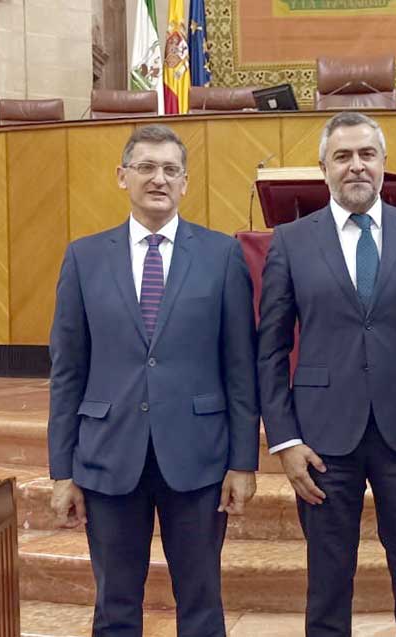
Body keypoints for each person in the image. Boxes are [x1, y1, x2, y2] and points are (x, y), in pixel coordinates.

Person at [256, 111, 396, 637]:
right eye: (343, 157)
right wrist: (284, 440)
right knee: (327, 591)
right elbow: (270, 349)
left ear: (383, 163)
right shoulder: (290, 242)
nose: (356, 167)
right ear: (323, 168)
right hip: (322, 441)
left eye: (366, 155)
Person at [46, 124, 259, 637]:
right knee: (115, 606)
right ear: (122, 176)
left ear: (185, 182)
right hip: (107, 458)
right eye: (146, 167)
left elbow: (239, 367)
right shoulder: (84, 257)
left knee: (202, 604)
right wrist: (61, 470)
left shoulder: (221, 255)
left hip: (198, 459)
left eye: (170, 170)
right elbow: (67, 371)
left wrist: (243, 462)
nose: (158, 179)